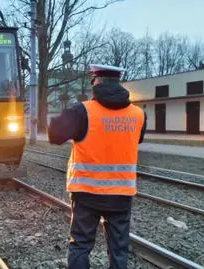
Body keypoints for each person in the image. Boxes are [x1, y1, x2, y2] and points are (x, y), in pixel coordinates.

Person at [48, 64, 147, 269]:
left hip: (87, 194)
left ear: (97, 82)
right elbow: (135, 140)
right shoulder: (138, 114)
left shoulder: (82, 110)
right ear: (118, 82)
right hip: (121, 195)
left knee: (81, 245)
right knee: (119, 250)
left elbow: (54, 135)